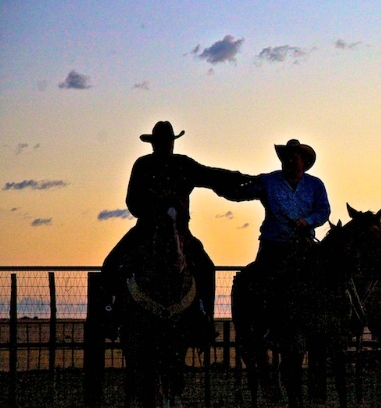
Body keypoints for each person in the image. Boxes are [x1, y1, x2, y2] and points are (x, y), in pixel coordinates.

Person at [102, 121, 251, 342]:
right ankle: (110, 314)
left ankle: (205, 319)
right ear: (154, 144)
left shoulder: (184, 165)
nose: (165, 146)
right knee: (111, 263)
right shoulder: (142, 166)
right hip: (146, 229)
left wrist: (240, 178)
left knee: (206, 266)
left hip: (181, 233)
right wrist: (153, 208)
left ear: (172, 142)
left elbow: (211, 176)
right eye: (161, 142)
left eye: (168, 142)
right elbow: (132, 202)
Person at [234, 139, 331, 274]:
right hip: (273, 244)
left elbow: (323, 210)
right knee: (255, 280)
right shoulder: (268, 181)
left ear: (303, 162)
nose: (289, 161)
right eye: (286, 158)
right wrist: (233, 182)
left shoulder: (315, 184)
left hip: (304, 244)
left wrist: (307, 221)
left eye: (294, 158)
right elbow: (241, 192)